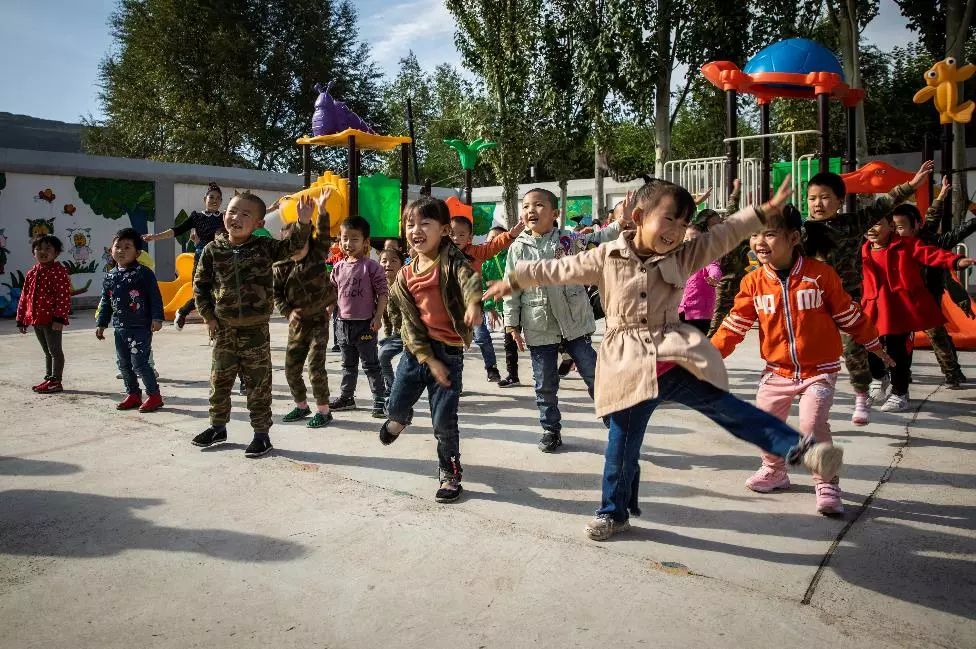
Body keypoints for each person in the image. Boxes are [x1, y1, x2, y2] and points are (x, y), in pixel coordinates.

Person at [485, 177, 844, 541]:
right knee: (620, 448)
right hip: (628, 370)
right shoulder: (606, 256)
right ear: (640, 216)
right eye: (670, 218)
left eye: (684, 223)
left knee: (729, 408)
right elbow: (557, 269)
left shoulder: (685, 254)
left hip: (672, 360)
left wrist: (760, 214)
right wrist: (513, 281)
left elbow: (725, 235)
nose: (677, 229)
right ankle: (614, 513)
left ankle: (800, 449)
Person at [712, 205, 893, 515]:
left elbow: (848, 314)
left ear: (794, 237)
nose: (759, 242)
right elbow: (733, 326)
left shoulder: (820, 275)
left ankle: (826, 482)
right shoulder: (753, 282)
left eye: (769, 234)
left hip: (819, 370)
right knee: (765, 422)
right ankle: (775, 470)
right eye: (754, 235)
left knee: (811, 422)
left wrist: (874, 344)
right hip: (777, 370)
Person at [803, 161, 933, 425]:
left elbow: (881, 206)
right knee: (812, 353)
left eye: (825, 198)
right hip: (812, 303)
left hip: (846, 300)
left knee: (853, 349)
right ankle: (813, 400)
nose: (817, 203)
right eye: (812, 198)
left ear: (840, 200)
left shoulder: (852, 223)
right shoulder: (803, 231)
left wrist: (910, 186)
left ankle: (861, 395)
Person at [190, 192, 312, 458]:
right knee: (219, 381)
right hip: (223, 329)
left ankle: (261, 435)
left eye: (246, 214)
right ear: (224, 216)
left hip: (255, 331)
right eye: (233, 211)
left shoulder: (264, 248)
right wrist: (208, 316)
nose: (237, 217)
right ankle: (217, 427)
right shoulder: (212, 250)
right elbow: (200, 286)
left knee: (258, 385)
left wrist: (303, 223)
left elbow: (292, 249)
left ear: (259, 224)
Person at [378, 197, 483, 503]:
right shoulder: (405, 275)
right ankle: (400, 420)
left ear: (445, 230)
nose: (416, 230)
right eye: (410, 224)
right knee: (395, 408)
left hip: (448, 355)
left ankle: (450, 473)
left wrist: (474, 303)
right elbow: (409, 325)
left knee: (443, 422)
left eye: (425, 223)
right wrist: (426, 358)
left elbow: (470, 281)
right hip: (416, 352)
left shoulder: (453, 262)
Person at [503, 188, 624, 452]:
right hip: (539, 324)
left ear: (555, 213)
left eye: (538, 205)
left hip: (574, 323)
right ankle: (550, 429)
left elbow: (600, 237)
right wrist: (511, 324)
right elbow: (511, 288)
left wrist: (621, 222)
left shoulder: (569, 240)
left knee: (594, 373)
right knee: (544, 383)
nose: (530, 210)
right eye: (525, 206)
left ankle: (612, 419)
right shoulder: (517, 249)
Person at [860, 211, 976, 412]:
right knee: (868, 347)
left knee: (898, 351)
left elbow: (931, 254)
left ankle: (899, 393)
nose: (871, 229)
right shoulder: (861, 250)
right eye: (867, 225)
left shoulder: (907, 245)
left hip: (900, 309)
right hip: (873, 306)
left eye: (877, 224)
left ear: (890, 226)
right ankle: (879, 378)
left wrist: (956, 261)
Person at [891, 177, 976, 389]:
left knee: (937, 335)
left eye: (901, 227)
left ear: (915, 227)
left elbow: (952, 231)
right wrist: (940, 196)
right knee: (899, 339)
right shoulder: (894, 243)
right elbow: (930, 215)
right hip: (903, 298)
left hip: (928, 297)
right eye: (894, 227)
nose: (897, 231)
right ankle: (902, 373)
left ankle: (952, 373)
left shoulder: (929, 241)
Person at [274, 191, 338, 428]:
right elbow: (277, 295)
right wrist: (288, 312)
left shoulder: (317, 255)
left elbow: (323, 234)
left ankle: (324, 409)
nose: (297, 248)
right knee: (291, 368)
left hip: (318, 320)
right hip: (298, 323)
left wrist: (321, 210)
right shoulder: (280, 267)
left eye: (301, 242)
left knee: (315, 365)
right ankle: (301, 406)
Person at [95, 228, 165, 412]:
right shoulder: (110, 276)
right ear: (111, 249)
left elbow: (155, 297)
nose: (121, 250)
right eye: (117, 246)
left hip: (140, 327)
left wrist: (157, 318)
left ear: (138, 252)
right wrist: (102, 323)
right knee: (124, 363)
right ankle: (133, 394)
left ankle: (154, 396)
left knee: (140, 363)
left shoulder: (144, 273)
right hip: (120, 328)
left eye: (127, 247)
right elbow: (106, 302)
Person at [449, 214, 524, 383]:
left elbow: (493, 246)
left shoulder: (476, 252)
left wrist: (511, 234)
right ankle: (456, 381)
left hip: (474, 304)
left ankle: (491, 368)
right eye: (452, 234)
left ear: (470, 237)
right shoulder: (443, 254)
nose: (456, 238)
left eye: (461, 234)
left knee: (482, 337)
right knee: (455, 344)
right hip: (452, 306)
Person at [329, 215, 389, 418]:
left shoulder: (371, 267)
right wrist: (328, 311)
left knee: (371, 364)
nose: (348, 243)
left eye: (354, 239)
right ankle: (347, 398)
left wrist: (378, 317)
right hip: (342, 324)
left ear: (366, 242)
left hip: (365, 324)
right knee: (347, 364)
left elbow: (383, 293)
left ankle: (380, 399)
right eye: (344, 238)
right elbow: (333, 294)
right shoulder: (337, 267)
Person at [143, 183, 226, 329]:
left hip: (220, 259)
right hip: (201, 258)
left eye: (218, 198)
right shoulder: (197, 217)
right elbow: (177, 230)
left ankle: (208, 327)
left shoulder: (225, 217)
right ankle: (183, 312)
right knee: (201, 293)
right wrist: (155, 237)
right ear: (204, 199)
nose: (214, 200)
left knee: (219, 294)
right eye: (211, 197)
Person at [17, 234, 71, 394]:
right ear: (33, 252)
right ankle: (49, 378)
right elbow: (24, 296)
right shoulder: (32, 273)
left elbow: (63, 296)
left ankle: (56, 381)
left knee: (55, 351)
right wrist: (21, 319)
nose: (43, 251)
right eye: (38, 248)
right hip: (36, 320)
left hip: (52, 320)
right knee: (47, 351)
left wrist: (59, 318)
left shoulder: (59, 272)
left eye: (48, 248)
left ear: (56, 253)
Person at [481, 225, 521, 386]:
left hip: (521, 303)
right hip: (505, 308)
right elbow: (484, 287)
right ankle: (513, 375)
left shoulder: (513, 256)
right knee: (509, 341)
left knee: (537, 339)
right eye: (492, 238)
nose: (495, 241)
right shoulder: (485, 262)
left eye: (499, 238)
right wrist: (490, 307)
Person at [678, 216, 722, 334]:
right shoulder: (679, 258)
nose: (690, 243)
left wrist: (714, 278)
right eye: (686, 239)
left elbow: (714, 267)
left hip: (699, 313)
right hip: (680, 310)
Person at [378, 247, 405, 399]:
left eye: (394, 261)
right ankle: (391, 386)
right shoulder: (381, 287)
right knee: (382, 355)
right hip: (396, 334)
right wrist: (387, 337)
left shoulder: (405, 284)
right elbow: (385, 316)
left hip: (410, 333)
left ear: (401, 264)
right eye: (384, 261)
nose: (388, 264)